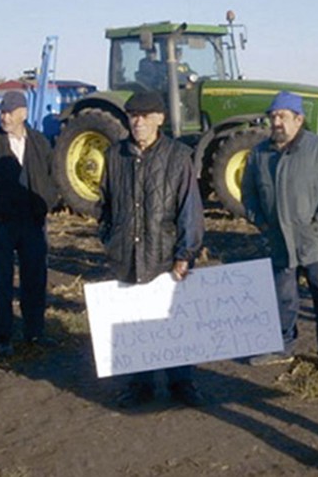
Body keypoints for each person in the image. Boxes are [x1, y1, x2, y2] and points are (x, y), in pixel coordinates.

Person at [98, 91, 206, 408]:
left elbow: (190, 210)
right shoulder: (114, 156)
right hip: (127, 256)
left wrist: (185, 254)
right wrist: (111, 240)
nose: (138, 122)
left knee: (173, 322)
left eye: (145, 116)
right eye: (133, 116)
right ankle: (140, 384)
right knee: (135, 323)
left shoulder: (178, 157)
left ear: (160, 119)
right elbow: (104, 206)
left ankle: (181, 382)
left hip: (166, 256)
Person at [242, 91, 318, 373]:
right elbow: (249, 193)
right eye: (273, 116)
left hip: (316, 242)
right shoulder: (259, 154)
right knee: (282, 298)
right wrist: (261, 222)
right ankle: (281, 346)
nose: (276, 122)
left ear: (298, 119)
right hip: (278, 241)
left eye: (282, 116)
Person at [0, 91, 59, 358]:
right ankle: (3, 337)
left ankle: (35, 332)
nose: (4, 117)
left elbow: (52, 176)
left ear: (23, 114)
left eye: (9, 112)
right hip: (1, 225)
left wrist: (46, 204)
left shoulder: (40, 143)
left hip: (33, 224)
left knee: (35, 279)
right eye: (2, 112)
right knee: (3, 283)